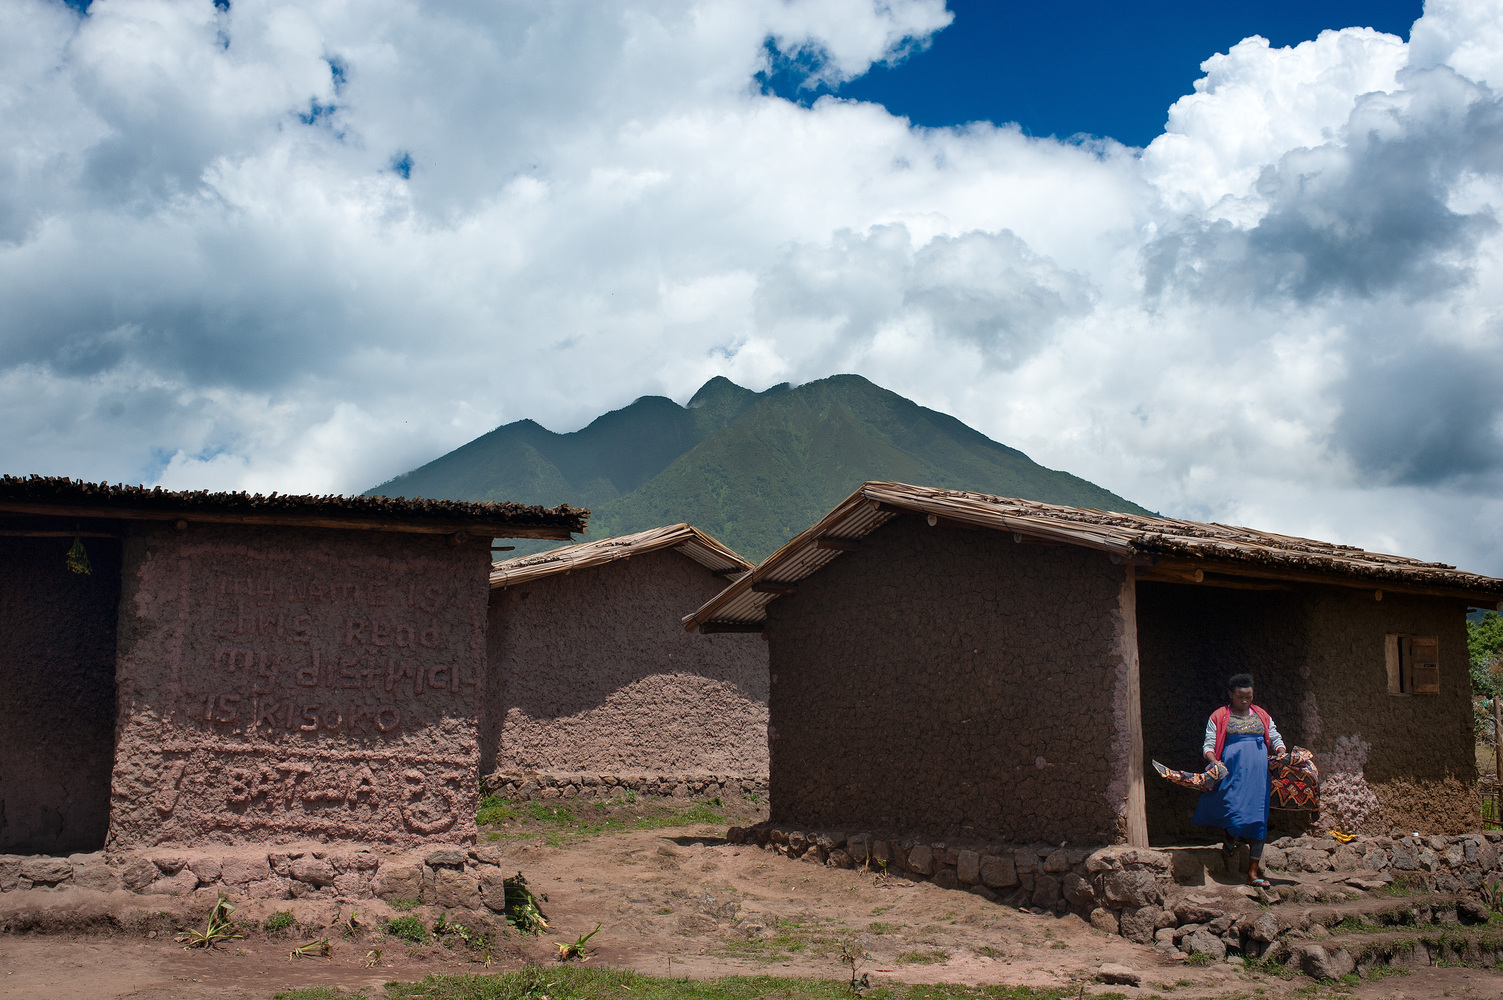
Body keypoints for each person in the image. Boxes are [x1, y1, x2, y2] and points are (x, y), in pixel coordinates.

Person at [1194, 673, 1285, 887]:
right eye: (1240, 697)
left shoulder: (1261, 715)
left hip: (1258, 778)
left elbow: (1274, 736)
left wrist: (1281, 751)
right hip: (1233, 775)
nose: (1245, 701)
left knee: (1258, 820)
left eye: (1249, 697)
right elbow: (1208, 745)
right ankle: (1230, 838)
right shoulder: (1219, 716)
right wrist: (1215, 761)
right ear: (1231, 695)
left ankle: (1252, 873)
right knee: (1233, 813)